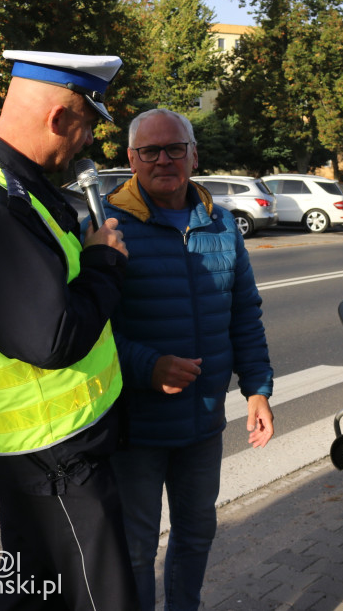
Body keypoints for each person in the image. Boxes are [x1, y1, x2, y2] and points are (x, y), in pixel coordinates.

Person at [0, 50, 139, 609]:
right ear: (59, 117)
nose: (87, 142)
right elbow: (53, 338)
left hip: (31, 453)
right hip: (53, 455)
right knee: (99, 599)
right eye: (87, 125)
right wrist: (103, 264)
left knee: (32, 592)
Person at [96, 108, 274, 611]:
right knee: (134, 550)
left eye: (175, 148)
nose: (164, 159)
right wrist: (147, 366)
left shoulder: (219, 225)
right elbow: (89, 328)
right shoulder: (108, 223)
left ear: (194, 155)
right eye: (150, 151)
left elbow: (244, 311)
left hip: (201, 424)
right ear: (131, 159)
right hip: (136, 428)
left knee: (197, 536)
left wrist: (257, 388)